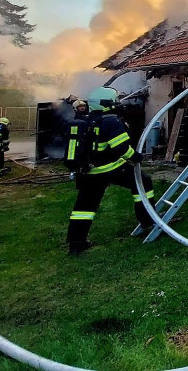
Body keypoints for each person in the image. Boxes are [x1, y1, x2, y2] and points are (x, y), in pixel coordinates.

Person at [66, 87, 156, 255]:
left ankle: (76, 243)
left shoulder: (87, 119)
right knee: (143, 181)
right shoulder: (111, 121)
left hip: (88, 172)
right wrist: (137, 157)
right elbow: (122, 148)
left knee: (83, 208)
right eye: (115, 101)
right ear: (107, 104)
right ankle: (147, 220)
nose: (118, 103)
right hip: (111, 168)